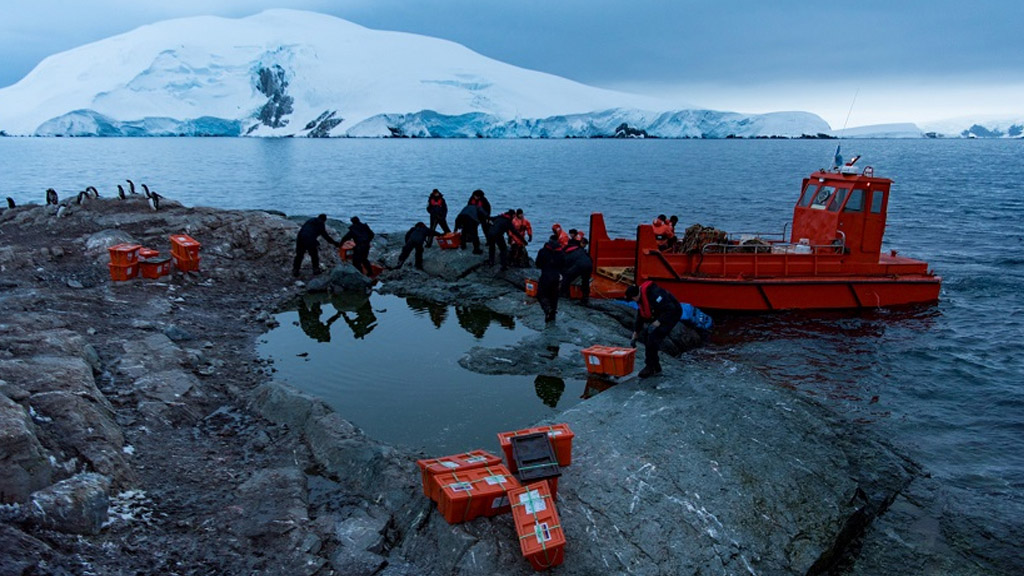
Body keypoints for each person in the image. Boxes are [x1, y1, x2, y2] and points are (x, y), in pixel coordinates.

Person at [625, 281, 682, 378]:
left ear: (635, 297)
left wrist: (659, 321)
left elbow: (671, 309)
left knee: (653, 337)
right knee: (647, 334)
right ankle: (655, 365)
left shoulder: (654, 295)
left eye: (633, 299)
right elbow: (641, 316)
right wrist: (636, 332)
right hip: (660, 313)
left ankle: (650, 366)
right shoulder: (641, 298)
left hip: (672, 314)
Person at [535, 233, 564, 323]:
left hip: (546, 275)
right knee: (554, 296)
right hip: (556, 277)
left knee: (540, 294)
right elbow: (564, 265)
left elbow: (537, 264)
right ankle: (552, 315)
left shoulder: (543, 251)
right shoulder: (561, 252)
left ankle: (547, 308)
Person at [561, 230, 593, 305]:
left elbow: (565, 263)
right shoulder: (581, 250)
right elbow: (590, 259)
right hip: (588, 264)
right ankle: (585, 297)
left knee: (566, 278)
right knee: (585, 281)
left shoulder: (568, 250)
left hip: (579, 264)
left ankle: (565, 296)